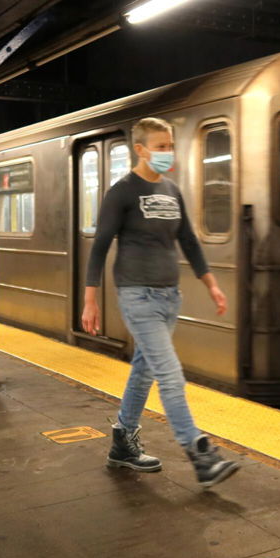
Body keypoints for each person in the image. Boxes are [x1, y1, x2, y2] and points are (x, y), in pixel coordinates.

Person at [82, 116, 239, 488]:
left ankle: (123, 442)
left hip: (170, 297)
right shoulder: (122, 192)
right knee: (170, 374)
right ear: (140, 149)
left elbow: (188, 241)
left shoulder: (172, 189)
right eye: (161, 146)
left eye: (170, 145)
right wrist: (91, 301)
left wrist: (212, 285)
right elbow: (100, 247)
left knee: (145, 370)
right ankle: (200, 453)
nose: (168, 152)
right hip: (137, 295)